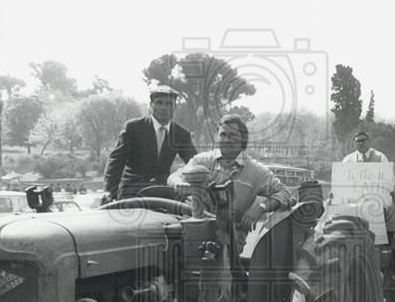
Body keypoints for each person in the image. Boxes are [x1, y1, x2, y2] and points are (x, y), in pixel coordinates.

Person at [169, 114, 291, 246]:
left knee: (222, 250)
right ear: (217, 136)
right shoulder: (202, 160)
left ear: (243, 138)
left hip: (231, 233)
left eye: (232, 135)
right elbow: (174, 177)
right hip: (192, 223)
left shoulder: (257, 171)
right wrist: (179, 184)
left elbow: (283, 192)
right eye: (223, 135)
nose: (226, 140)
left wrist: (260, 208)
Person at [104, 85, 197, 200]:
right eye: (159, 103)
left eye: (169, 104)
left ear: (175, 107)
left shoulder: (181, 134)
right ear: (151, 105)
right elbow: (117, 161)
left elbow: (194, 162)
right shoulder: (133, 127)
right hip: (132, 192)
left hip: (163, 193)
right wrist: (109, 191)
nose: (164, 107)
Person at [341, 130, 395, 244]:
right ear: (355, 143)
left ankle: (391, 235)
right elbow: (342, 180)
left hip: (377, 195)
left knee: (390, 202)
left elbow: (387, 178)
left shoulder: (380, 157)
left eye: (363, 140)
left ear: (369, 141)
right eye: (357, 141)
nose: (360, 143)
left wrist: (385, 191)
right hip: (355, 197)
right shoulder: (348, 160)